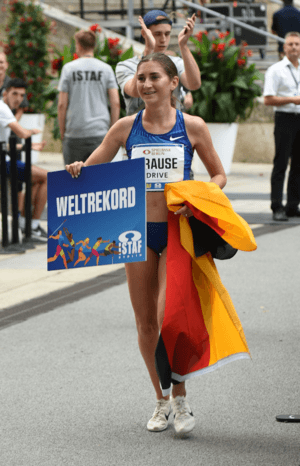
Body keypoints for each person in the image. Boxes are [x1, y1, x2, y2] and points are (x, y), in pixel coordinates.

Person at [66, 53, 227, 434]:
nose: (147, 84)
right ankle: (160, 400)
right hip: (134, 233)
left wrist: (200, 195)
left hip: (175, 232)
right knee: (145, 323)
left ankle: (180, 397)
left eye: (155, 77)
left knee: (168, 318)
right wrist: (77, 170)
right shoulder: (124, 128)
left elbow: (218, 174)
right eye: (141, 78)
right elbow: (92, 169)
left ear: (174, 83)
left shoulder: (193, 127)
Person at [115, 9, 201, 116]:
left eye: (167, 34)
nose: (163, 39)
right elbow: (135, 91)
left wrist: (183, 46)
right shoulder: (126, 66)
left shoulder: (176, 62)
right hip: (139, 130)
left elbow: (195, 84)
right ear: (144, 33)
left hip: (172, 130)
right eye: (157, 34)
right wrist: (148, 51)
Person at [57, 28, 120, 166]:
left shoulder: (68, 68)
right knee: (100, 182)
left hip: (74, 133)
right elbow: (115, 103)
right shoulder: (106, 69)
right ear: (94, 46)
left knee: (73, 181)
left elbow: (62, 104)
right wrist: (112, 131)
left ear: (78, 45)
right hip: (100, 132)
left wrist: (63, 132)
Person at [0, 78, 48, 238]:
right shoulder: (3, 108)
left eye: (22, 95)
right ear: (5, 93)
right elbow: (22, 133)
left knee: (37, 179)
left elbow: (5, 145)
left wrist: (30, 146)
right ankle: (32, 225)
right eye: (15, 94)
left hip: (5, 158)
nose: (18, 99)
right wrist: (32, 131)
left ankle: (25, 222)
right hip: (3, 162)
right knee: (47, 177)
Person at [264, 32, 300, 221]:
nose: (294, 47)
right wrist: (293, 99)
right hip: (285, 118)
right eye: (291, 44)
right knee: (281, 163)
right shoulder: (275, 70)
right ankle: (277, 206)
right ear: (284, 47)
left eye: (297, 44)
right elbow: (268, 99)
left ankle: (293, 205)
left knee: (298, 165)